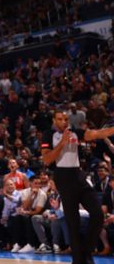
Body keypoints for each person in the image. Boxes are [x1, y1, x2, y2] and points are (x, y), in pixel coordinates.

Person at [40, 110, 114, 264]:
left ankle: (85, 251)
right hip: (62, 175)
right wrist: (62, 143)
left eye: (66, 119)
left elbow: (97, 133)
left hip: (78, 174)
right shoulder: (48, 135)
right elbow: (47, 160)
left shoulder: (75, 133)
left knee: (98, 215)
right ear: (54, 120)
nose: (64, 122)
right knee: (73, 222)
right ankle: (79, 260)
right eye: (60, 119)